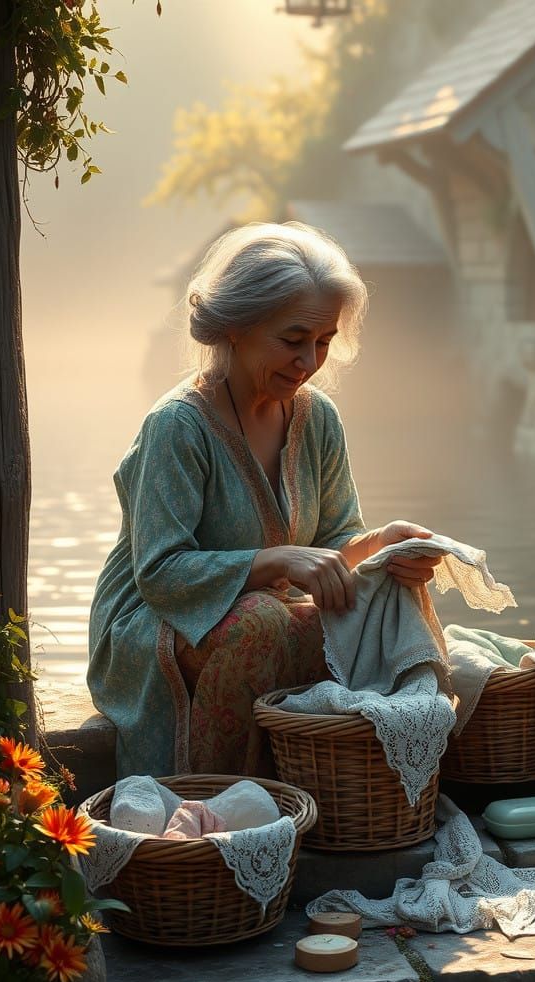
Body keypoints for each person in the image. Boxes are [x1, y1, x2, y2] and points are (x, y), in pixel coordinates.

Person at [88, 222, 442, 779]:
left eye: (323, 341)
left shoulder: (317, 417)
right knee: (259, 624)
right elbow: (159, 572)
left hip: (270, 607)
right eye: (293, 338)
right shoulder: (178, 426)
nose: (309, 361)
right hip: (151, 621)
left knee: (384, 598)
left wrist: (382, 546)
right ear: (235, 327)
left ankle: (357, 787)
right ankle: (214, 800)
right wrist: (275, 561)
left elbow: (332, 543)